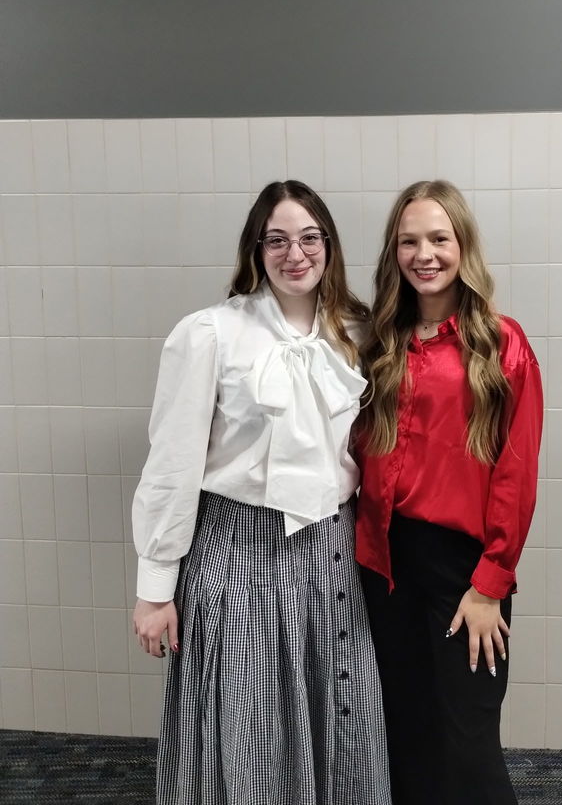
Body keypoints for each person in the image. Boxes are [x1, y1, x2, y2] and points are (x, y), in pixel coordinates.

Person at [132, 180, 391, 805]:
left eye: (308, 238)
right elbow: (171, 463)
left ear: (328, 245)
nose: (294, 253)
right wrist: (154, 590)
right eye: (276, 239)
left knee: (340, 707)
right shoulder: (210, 334)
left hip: (330, 553)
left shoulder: (358, 332)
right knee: (243, 720)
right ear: (256, 248)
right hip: (236, 552)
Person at [355, 180, 543, 805]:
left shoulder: (500, 343)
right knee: (406, 736)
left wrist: (491, 583)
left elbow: (516, 474)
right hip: (385, 565)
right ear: (394, 252)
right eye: (409, 241)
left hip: (464, 571)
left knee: (467, 747)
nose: (424, 254)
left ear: (463, 244)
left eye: (439, 238)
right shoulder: (379, 344)